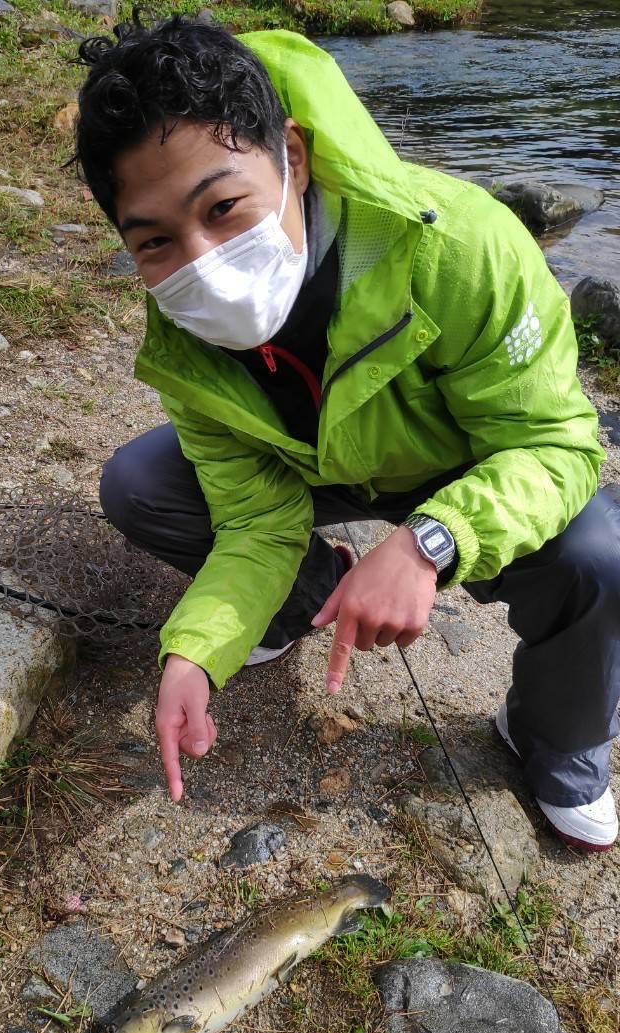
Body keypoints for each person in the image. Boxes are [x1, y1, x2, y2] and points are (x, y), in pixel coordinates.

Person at [74, 15, 620, 852]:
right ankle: (308, 595)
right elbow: (252, 520)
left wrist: (428, 542)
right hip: (321, 473)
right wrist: (194, 654)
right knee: (141, 484)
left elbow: (560, 446)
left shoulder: (464, 245)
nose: (202, 259)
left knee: (600, 553)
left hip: (469, 463)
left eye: (222, 206)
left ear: (291, 156)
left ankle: (556, 738)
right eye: (155, 240)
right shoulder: (182, 339)